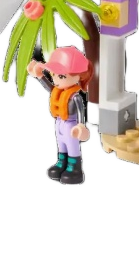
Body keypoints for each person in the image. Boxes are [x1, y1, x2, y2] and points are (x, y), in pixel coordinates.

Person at [27, 46, 92, 185]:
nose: (56, 80)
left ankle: (75, 168)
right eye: (54, 75)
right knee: (61, 144)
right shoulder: (59, 91)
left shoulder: (75, 97)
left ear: (79, 75)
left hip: (71, 125)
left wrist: (81, 125)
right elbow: (50, 89)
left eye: (61, 76)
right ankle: (62, 162)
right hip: (59, 123)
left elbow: (81, 111)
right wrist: (39, 76)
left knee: (72, 146)